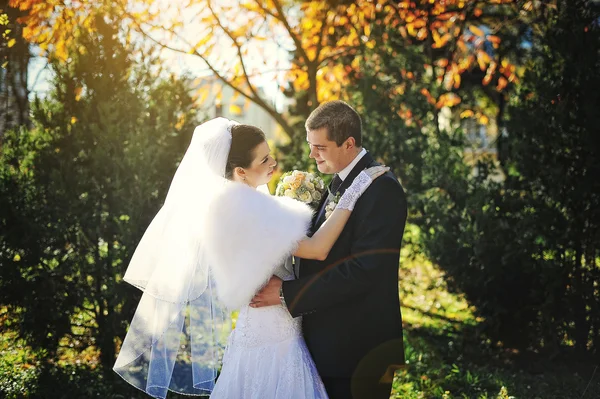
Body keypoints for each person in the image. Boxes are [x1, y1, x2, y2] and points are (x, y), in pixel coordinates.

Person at [113, 117, 387, 399]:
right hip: (273, 327)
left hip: (257, 321)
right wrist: (355, 189)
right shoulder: (250, 209)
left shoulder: (226, 204)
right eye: (264, 160)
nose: (273, 164)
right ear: (241, 171)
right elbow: (317, 249)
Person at [251, 100, 407, 399]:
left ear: (348, 144)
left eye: (319, 147)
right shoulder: (340, 182)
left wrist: (287, 292)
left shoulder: (382, 189)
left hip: (358, 349)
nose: (312, 154)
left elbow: (365, 272)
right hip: (328, 343)